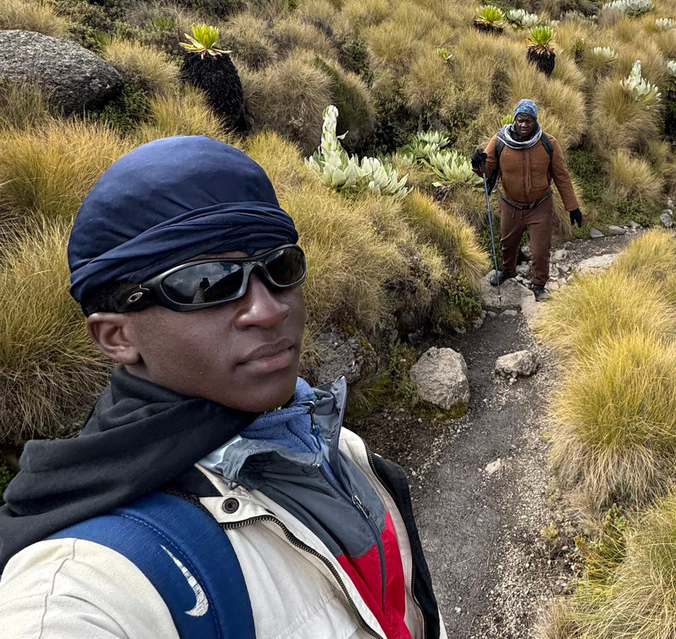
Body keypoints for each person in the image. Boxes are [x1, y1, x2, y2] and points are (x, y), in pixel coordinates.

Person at [0, 135, 444, 639]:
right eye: (208, 283)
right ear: (117, 336)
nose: (269, 308)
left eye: (280, 267)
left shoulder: (329, 443)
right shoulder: (75, 586)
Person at [471, 99, 582, 302]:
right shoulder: (499, 141)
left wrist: (572, 207)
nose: (523, 125)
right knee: (507, 243)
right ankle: (508, 271)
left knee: (540, 250)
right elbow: (485, 172)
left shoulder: (548, 143)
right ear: (514, 120)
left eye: (528, 121)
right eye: (520, 120)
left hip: (540, 206)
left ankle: (539, 285)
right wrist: (477, 162)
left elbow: (562, 176)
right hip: (510, 204)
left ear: (535, 122)